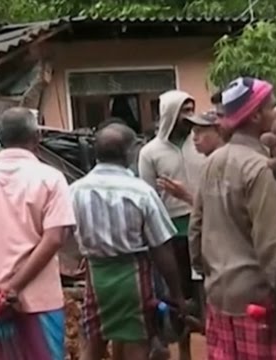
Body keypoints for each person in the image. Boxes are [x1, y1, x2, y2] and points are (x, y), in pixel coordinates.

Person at [0, 107, 76, 360]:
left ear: (0, 141)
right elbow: (54, 238)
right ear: (37, 138)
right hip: (40, 302)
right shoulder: (52, 179)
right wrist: (12, 289)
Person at [71, 123, 186, 360]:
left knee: (94, 341)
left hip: (97, 277)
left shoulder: (75, 191)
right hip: (132, 278)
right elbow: (161, 247)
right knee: (137, 340)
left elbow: (62, 238)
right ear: (129, 152)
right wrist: (176, 293)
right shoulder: (141, 192)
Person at [189, 77, 276, 359]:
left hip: (219, 296)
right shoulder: (264, 168)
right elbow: (273, 245)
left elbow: (196, 229)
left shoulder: (213, 162)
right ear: (255, 115)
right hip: (259, 304)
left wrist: (206, 272)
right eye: (271, 106)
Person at [138, 90, 205, 360]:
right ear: (170, 114)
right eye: (183, 111)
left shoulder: (200, 144)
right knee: (177, 296)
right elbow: (147, 197)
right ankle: (183, 351)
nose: (189, 117)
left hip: (201, 228)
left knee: (204, 293)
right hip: (170, 233)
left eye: (191, 109)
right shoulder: (150, 153)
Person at [156, 110, 227, 205]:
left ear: (218, 132)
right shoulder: (210, 162)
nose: (194, 138)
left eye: (199, 131)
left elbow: (218, 211)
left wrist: (185, 195)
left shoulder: (225, 163)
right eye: (193, 132)